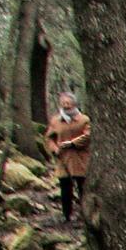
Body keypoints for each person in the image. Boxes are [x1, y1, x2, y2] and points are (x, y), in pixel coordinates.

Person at [43, 91, 90, 223]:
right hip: (62, 159)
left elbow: (88, 136)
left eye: (68, 103)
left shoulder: (84, 119)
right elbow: (49, 138)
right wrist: (55, 149)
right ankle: (66, 215)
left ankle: (85, 214)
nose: (65, 105)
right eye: (63, 103)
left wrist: (72, 143)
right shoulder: (55, 120)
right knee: (65, 188)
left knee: (82, 188)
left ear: (74, 104)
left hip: (80, 159)